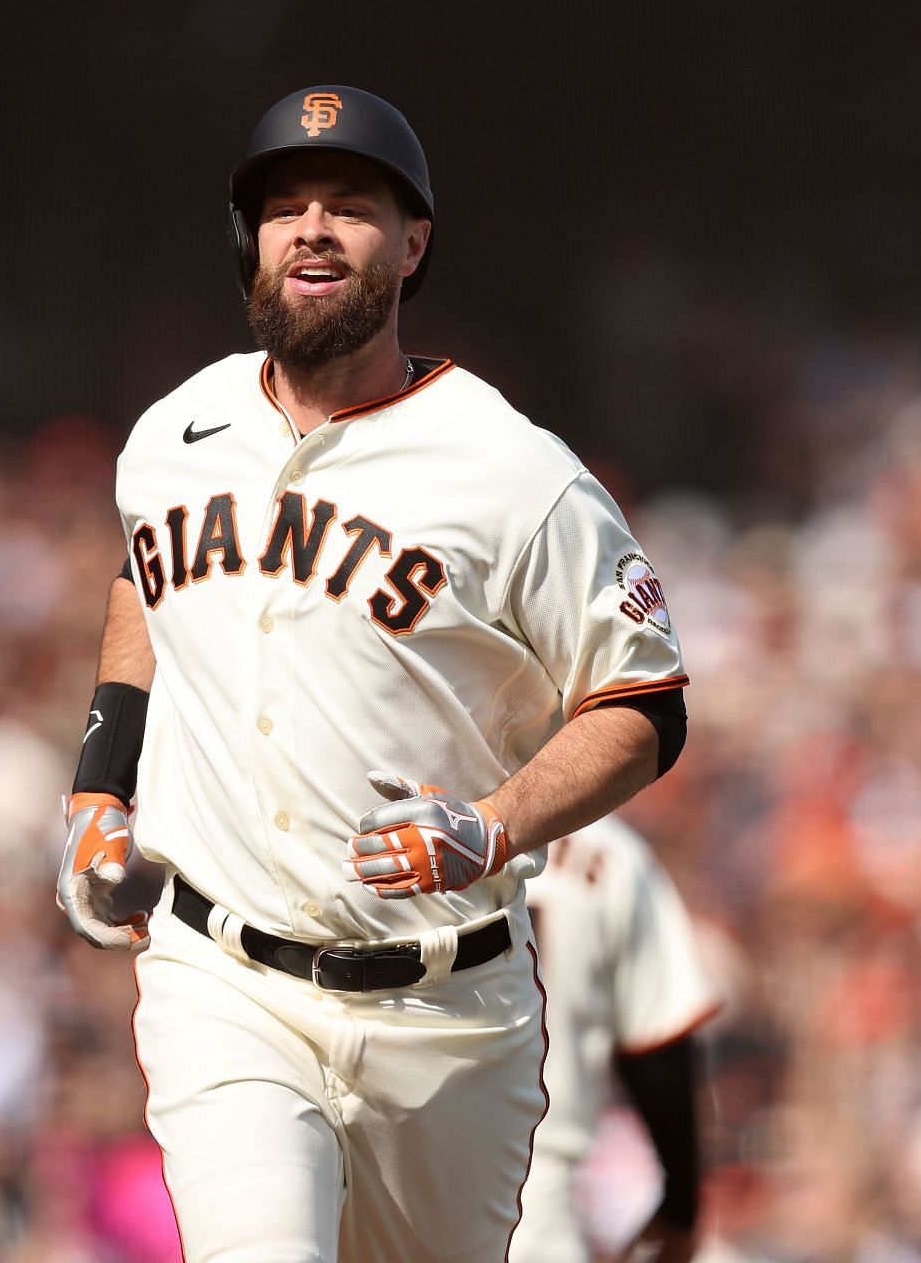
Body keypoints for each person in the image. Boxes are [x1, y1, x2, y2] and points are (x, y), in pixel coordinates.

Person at [54, 84, 691, 1262]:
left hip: (447, 1012)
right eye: (283, 206)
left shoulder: (514, 472)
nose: (310, 228)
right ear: (249, 241)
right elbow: (146, 582)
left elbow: (646, 701)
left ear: (412, 244)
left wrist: (495, 825)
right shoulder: (173, 432)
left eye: (349, 207)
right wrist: (101, 780)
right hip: (224, 980)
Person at [510, 815, 720, 1263]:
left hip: (382, 1182)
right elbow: (659, 1050)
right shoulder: (607, 849)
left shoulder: (399, 821)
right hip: (530, 1198)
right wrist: (681, 1208)